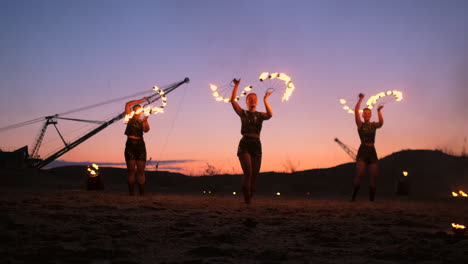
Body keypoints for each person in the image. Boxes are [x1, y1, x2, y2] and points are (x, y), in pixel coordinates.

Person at [230, 79, 273, 204]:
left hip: (256, 144)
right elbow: (232, 101)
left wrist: (266, 100)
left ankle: (249, 199)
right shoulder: (243, 113)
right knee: (248, 172)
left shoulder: (260, 115)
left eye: (255, 98)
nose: (253, 99)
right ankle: (246, 200)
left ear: (257, 101)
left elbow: (270, 114)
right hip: (245, 143)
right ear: (246, 101)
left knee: (254, 175)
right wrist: (237, 86)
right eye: (250, 98)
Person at [351, 93, 384, 201]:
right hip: (363, 150)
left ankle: (371, 200)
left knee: (374, 176)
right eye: (365, 113)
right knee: (360, 175)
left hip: (372, 151)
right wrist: (360, 100)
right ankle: (353, 197)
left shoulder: (374, 125)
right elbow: (356, 111)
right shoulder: (360, 124)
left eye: (369, 113)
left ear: (370, 115)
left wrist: (379, 111)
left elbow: (381, 123)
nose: (367, 114)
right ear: (363, 115)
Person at [124, 97, 150, 196]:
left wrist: (145, 121)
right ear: (134, 111)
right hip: (130, 144)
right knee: (131, 171)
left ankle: (141, 194)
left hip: (140, 145)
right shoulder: (129, 117)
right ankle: (131, 194)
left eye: (140, 110)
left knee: (141, 171)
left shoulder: (142, 120)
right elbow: (127, 104)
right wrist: (141, 100)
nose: (139, 111)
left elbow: (146, 130)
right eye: (137, 109)